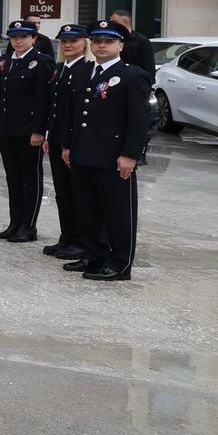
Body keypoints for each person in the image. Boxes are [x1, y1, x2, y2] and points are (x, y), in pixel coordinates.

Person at [62, 20, 150, 281]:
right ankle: (94, 255)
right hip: (82, 153)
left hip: (114, 156)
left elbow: (139, 120)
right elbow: (75, 114)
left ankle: (119, 264)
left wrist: (131, 155)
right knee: (87, 209)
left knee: (117, 213)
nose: (101, 45)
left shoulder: (132, 75)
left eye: (108, 41)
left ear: (120, 45)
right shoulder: (82, 72)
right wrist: (68, 145)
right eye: (97, 41)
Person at [0, 18, 54, 243]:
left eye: (24, 37)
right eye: (14, 37)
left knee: (30, 178)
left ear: (34, 39)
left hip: (28, 130)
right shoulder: (5, 61)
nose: (18, 41)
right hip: (7, 128)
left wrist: (39, 130)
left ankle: (29, 226)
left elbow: (42, 100)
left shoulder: (41, 62)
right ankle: (14, 222)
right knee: (13, 178)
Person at [43, 23, 93, 260]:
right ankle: (67, 237)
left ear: (85, 43)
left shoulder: (86, 70)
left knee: (77, 193)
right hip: (56, 138)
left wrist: (68, 144)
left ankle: (81, 241)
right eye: (64, 41)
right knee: (62, 193)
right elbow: (55, 108)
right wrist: (49, 136)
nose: (68, 45)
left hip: (71, 142)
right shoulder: (62, 68)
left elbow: (78, 113)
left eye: (74, 40)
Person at [108, 8, 157, 83]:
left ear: (125, 21)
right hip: (114, 81)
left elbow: (149, 66)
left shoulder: (141, 41)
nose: (111, 25)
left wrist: (149, 85)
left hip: (136, 82)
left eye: (114, 22)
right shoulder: (112, 39)